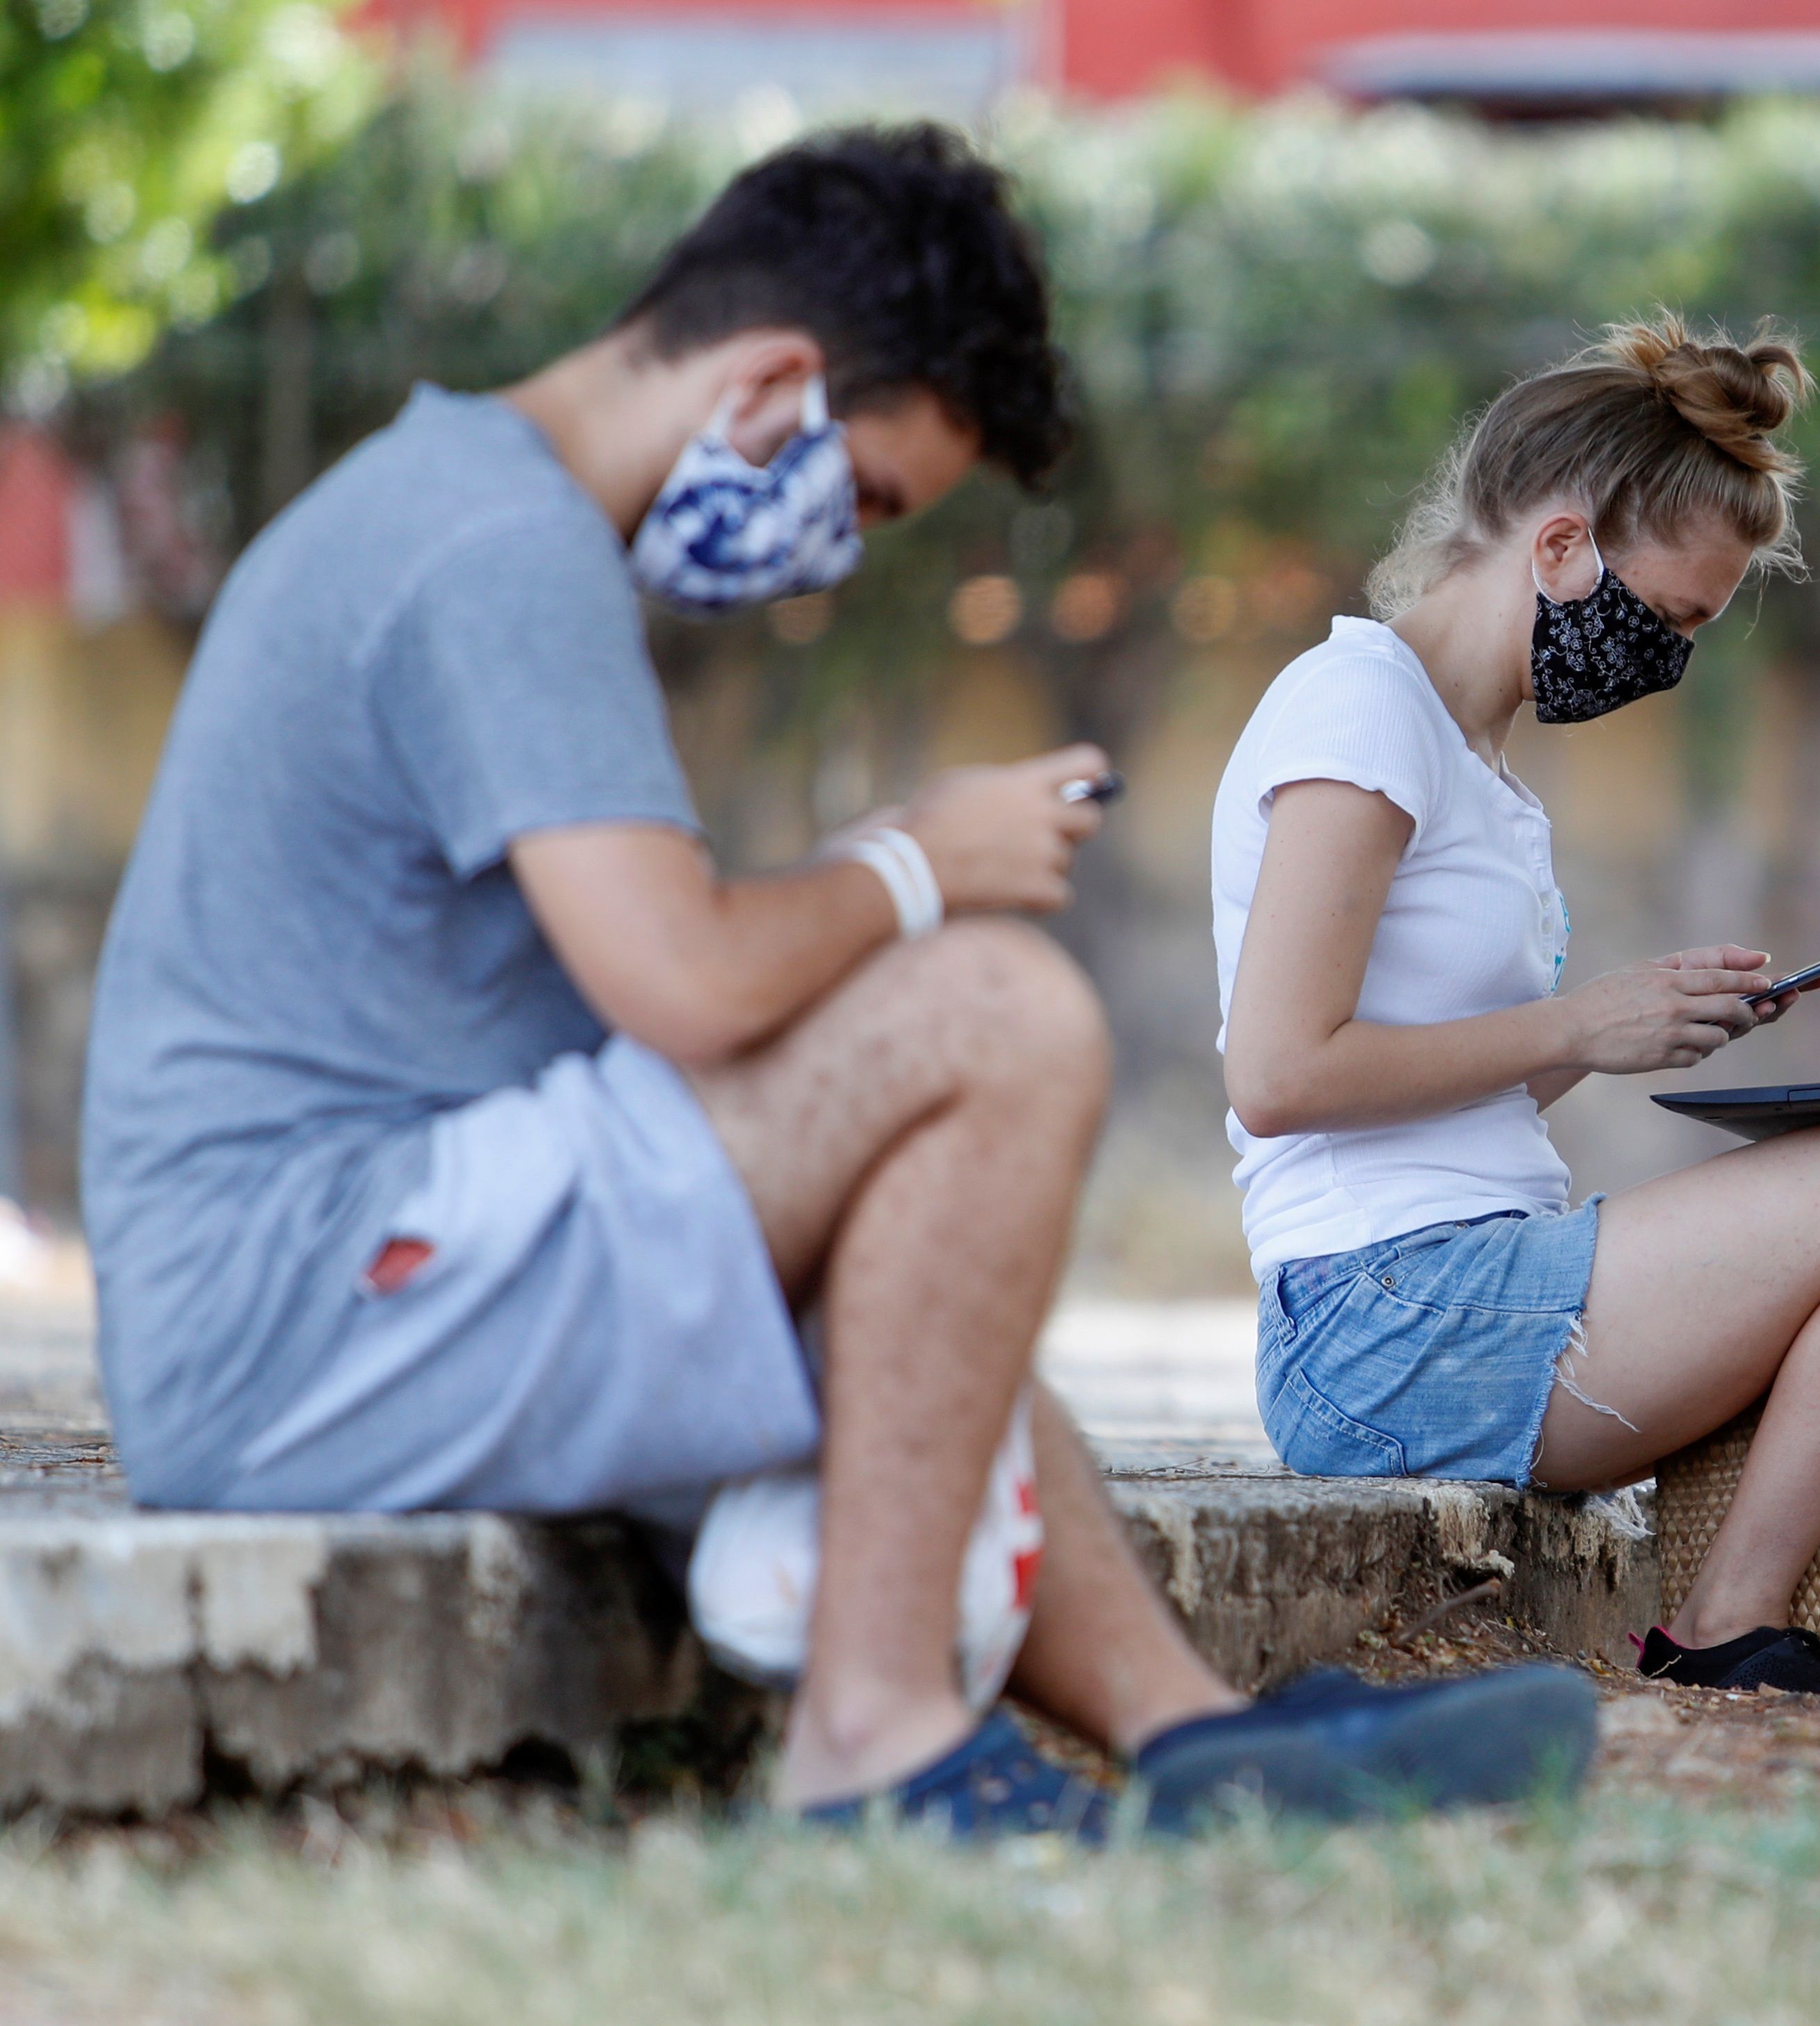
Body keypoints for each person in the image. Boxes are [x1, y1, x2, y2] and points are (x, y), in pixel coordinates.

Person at [81, 124, 1591, 1836]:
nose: (842, 551)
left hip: (358, 1264)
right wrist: (916, 865)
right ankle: (872, 1740)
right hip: (296, 1307)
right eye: (867, 494)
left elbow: (663, 981)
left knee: (913, 1238)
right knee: (998, 1013)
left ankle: (1193, 1739)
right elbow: (688, 984)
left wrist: (877, 890)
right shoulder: (494, 552)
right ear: (768, 383)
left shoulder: (467, 510)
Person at [1211, 315, 1820, 1699]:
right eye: (1673, 618)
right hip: (1379, 1323)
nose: (1670, 660)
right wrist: (1581, 1025)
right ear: (1560, 547)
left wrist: (1646, 1027)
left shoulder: (1482, 766)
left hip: (1472, 1275)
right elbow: (1277, 1076)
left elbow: (1445, 1082)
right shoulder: (1357, 711)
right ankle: (1726, 1627)